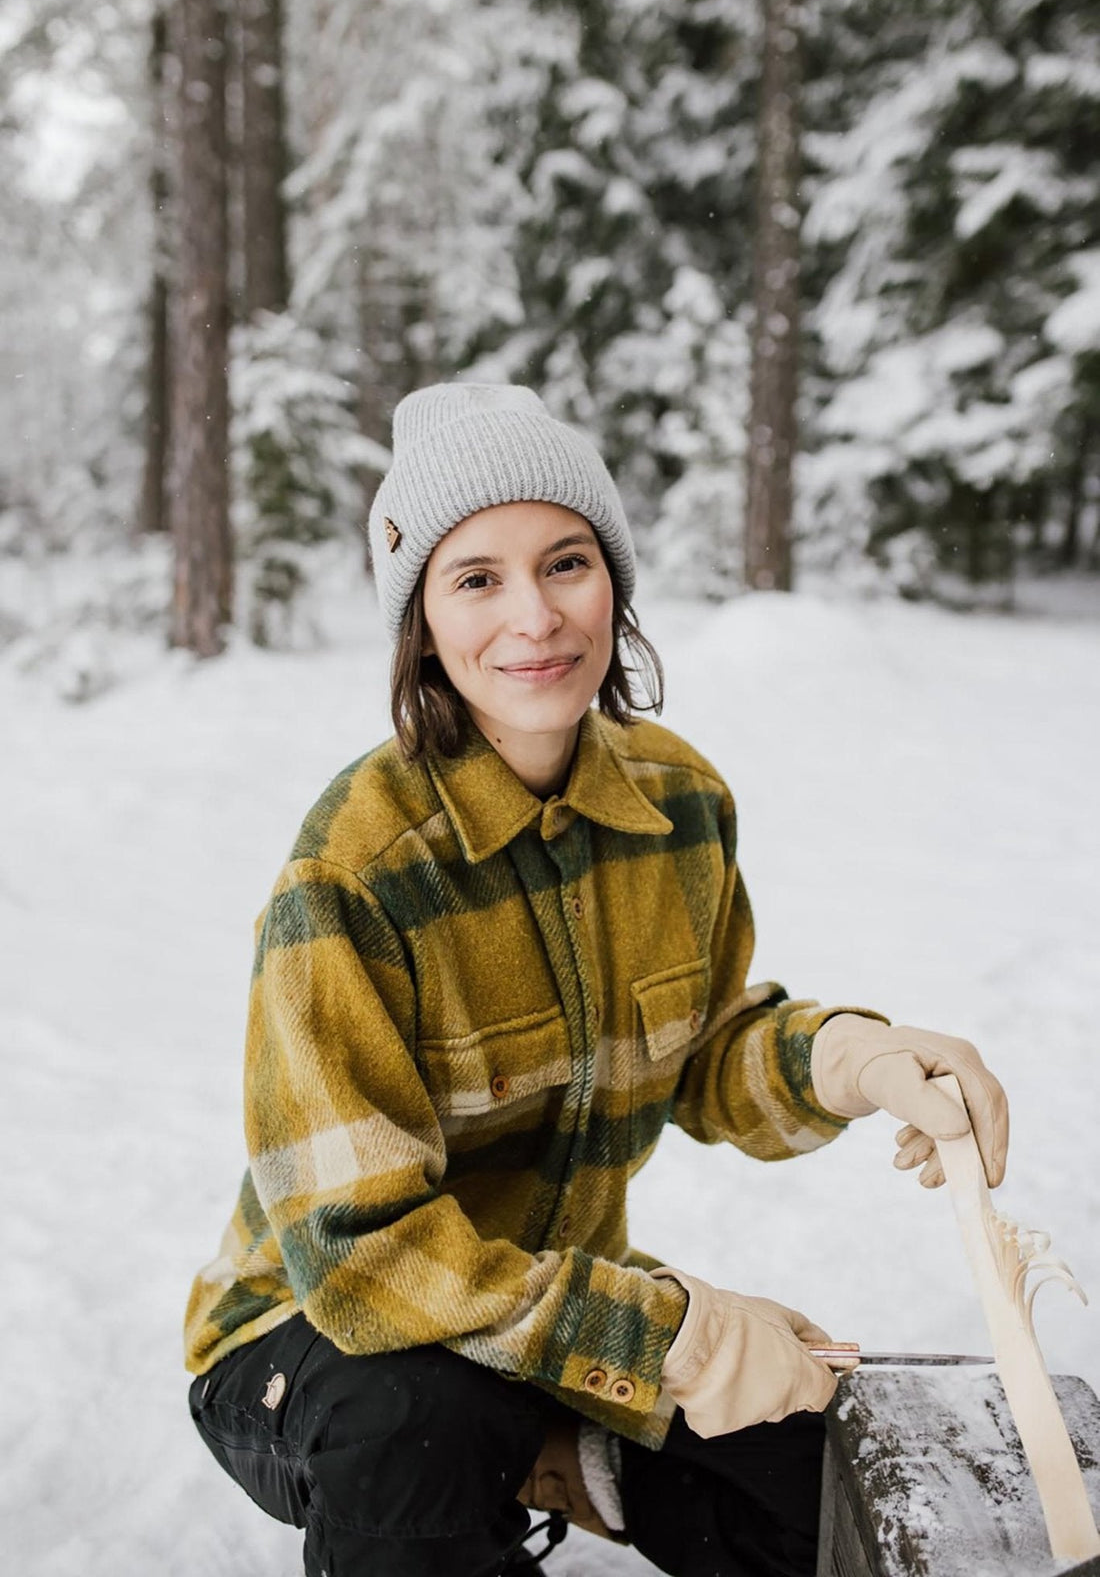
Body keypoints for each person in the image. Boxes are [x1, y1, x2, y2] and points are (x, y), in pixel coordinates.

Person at [184, 382, 1009, 1577]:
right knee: (421, 1420)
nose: (534, 616)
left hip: (547, 1319)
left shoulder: (677, 803)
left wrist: (852, 1057)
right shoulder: (351, 876)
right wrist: (664, 1334)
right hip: (315, 1340)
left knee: (810, 1478)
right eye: (475, 578)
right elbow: (363, 1255)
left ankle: (573, 1452)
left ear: (612, 577)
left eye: (564, 561)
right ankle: (511, 1449)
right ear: (419, 617)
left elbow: (711, 1043)